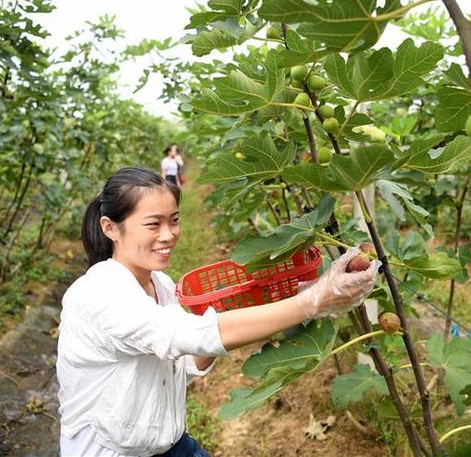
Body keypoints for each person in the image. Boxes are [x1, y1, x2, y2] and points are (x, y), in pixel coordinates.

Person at [56, 167, 380, 457]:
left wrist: (294, 298)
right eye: (153, 224)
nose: (168, 235)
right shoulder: (98, 293)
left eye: (174, 220)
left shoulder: (161, 284)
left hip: (170, 445)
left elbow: (188, 362)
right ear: (110, 228)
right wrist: (313, 301)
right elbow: (187, 335)